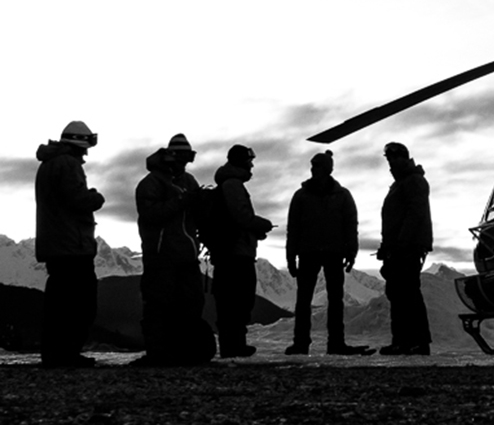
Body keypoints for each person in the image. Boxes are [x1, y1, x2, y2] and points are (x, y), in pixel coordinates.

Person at [133, 134, 215, 366]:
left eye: (188, 158)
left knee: (191, 305)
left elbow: (196, 217)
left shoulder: (189, 181)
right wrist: (183, 201)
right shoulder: (150, 183)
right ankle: (158, 354)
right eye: (181, 158)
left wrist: (204, 203)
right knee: (159, 306)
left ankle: (184, 352)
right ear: (169, 157)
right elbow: (150, 215)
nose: (184, 163)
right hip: (161, 256)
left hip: (187, 256)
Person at [284, 150, 373, 356]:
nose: (314, 170)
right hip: (309, 252)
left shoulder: (341, 196)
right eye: (313, 166)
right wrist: (290, 256)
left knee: (335, 300)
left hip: (333, 253)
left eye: (318, 166)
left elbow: (351, 226)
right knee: (304, 300)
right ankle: (301, 343)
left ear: (328, 169)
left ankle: (335, 343)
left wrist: (351, 251)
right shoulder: (302, 196)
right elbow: (293, 228)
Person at [34, 120, 105, 368]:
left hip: (56, 244)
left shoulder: (48, 164)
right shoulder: (67, 164)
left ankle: (56, 354)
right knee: (80, 304)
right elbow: (76, 199)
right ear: (80, 142)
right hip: (72, 246)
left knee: (58, 305)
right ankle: (67, 354)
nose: (87, 150)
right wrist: (96, 198)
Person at [210, 144, 273, 358]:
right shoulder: (233, 185)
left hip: (229, 251)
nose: (252, 165)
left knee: (232, 300)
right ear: (241, 162)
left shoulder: (228, 184)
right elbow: (241, 217)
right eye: (249, 161)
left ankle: (233, 344)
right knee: (237, 300)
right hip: (235, 253)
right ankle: (233, 345)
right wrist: (262, 225)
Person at [377, 142, 433, 356]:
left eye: (393, 159)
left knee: (408, 293)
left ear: (403, 158)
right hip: (398, 247)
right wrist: (387, 246)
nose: (390, 164)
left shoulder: (413, 181)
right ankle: (402, 341)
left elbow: (414, 214)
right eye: (388, 160)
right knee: (398, 293)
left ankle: (417, 341)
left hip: (408, 248)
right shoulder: (401, 183)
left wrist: (402, 243)